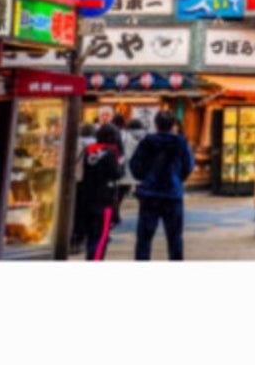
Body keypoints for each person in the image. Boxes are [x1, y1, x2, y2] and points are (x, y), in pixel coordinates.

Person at [129, 109, 192, 261]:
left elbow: (135, 166)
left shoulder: (147, 142)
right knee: (175, 238)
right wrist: (178, 178)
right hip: (172, 193)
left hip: (150, 194)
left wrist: (145, 177)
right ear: (173, 125)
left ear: (156, 125)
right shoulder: (180, 142)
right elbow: (188, 166)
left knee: (144, 238)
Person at [73, 117, 127, 261]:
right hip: (104, 199)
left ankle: (89, 257)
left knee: (91, 233)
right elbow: (117, 174)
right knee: (101, 236)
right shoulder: (110, 153)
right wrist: (121, 165)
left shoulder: (89, 150)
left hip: (87, 196)